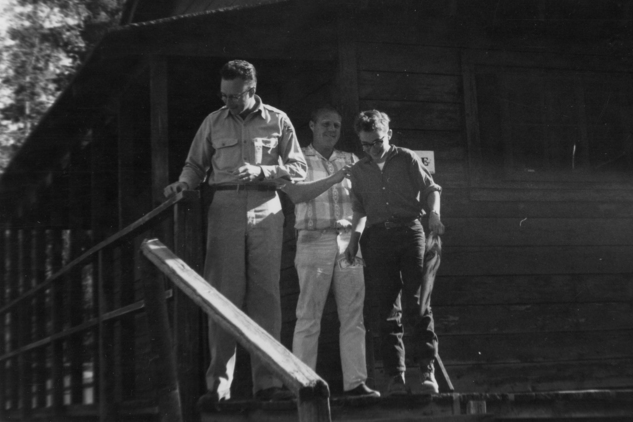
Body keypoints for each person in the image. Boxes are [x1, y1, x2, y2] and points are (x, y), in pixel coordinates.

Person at [163, 60, 307, 406]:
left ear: (252, 91)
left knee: (265, 299)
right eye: (223, 95)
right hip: (224, 208)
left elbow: (299, 168)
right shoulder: (212, 122)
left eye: (234, 96)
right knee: (222, 295)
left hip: (266, 208)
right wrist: (184, 183)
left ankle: (268, 382)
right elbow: (195, 165)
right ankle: (219, 387)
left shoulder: (278, 120)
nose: (227, 101)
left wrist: (261, 170)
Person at [277, 106, 380, 398]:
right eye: (325, 124)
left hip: (348, 241)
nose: (331, 129)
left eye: (336, 125)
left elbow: (367, 200)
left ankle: (356, 384)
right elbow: (296, 194)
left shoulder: (351, 160)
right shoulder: (297, 158)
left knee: (353, 315)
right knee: (308, 315)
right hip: (313, 239)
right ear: (311, 125)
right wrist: (335, 179)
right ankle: (302, 386)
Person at [344, 110, 445, 395]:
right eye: (365, 144)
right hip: (377, 238)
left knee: (417, 300)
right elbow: (360, 209)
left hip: (410, 232)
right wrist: (354, 240)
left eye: (377, 142)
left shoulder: (407, 158)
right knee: (386, 307)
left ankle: (427, 370)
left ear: (388, 134)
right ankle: (395, 376)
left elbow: (431, 190)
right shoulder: (359, 170)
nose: (372, 149)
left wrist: (434, 214)